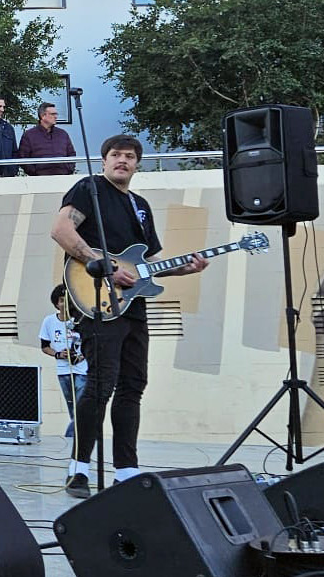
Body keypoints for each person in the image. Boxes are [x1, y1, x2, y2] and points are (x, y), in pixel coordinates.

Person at [48, 134, 207, 498]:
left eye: (130, 156)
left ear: (137, 164)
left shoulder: (140, 206)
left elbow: (145, 263)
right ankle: (78, 469)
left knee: (133, 385)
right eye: (116, 155)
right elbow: (61, 230)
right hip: (97, 299)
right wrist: (104, 265)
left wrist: (183, 268)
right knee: (100, 384)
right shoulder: (89, 189)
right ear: (104, 160)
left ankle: (126, 470)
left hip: (133, 306)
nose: (123, 160)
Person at [39, 283, 88, 449]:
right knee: (73, 410)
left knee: (81, 408)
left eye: (68, 300)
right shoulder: (49, 321)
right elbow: (44, 346)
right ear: (56, 303)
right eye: (61, 300)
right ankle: (81, 441)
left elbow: (92, 342)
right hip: (63, 371)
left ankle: (71, 440)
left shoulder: (81, 319)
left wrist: (82, 355)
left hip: (82, 370)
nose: (65, 304)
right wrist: (58, 354)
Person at [17, 102, 78, 177]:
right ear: (43, 116)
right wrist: (35, 172)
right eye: (53, 114)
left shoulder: (62, 134)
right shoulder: (29, 135)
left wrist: (69, 169)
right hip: (40, 179)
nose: (56, 117)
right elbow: (23, 157)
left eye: (56, 114)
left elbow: (71, 154)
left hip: (63, 177)